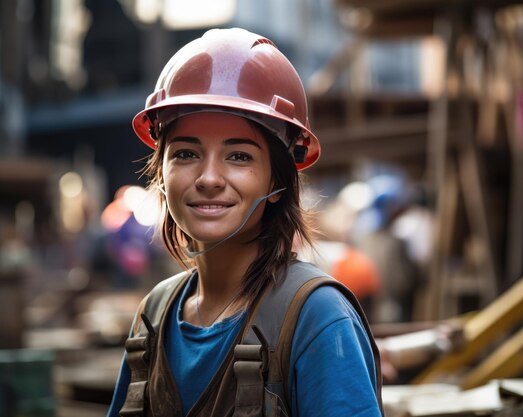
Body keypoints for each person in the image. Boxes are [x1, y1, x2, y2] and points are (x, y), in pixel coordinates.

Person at [107, 28, 383, 417]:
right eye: (186, 153)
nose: (208, 178)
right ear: (162, 173)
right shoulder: (152, 317)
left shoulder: (317, 317)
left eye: (239, 157)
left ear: (277, 180)